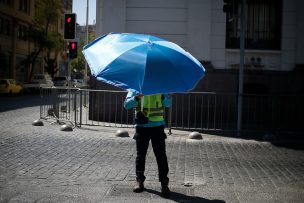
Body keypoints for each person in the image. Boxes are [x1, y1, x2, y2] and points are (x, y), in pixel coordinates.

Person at [124, 91, 172, 196]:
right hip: (142, 127)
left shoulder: (160, 87)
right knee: (140, 155)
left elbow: (169, 103)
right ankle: (139, 181)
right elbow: (126, 105)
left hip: (157, 126)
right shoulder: (136, 87)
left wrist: (162, 95)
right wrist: (136, 98)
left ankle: (164, 183)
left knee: (161, 156)